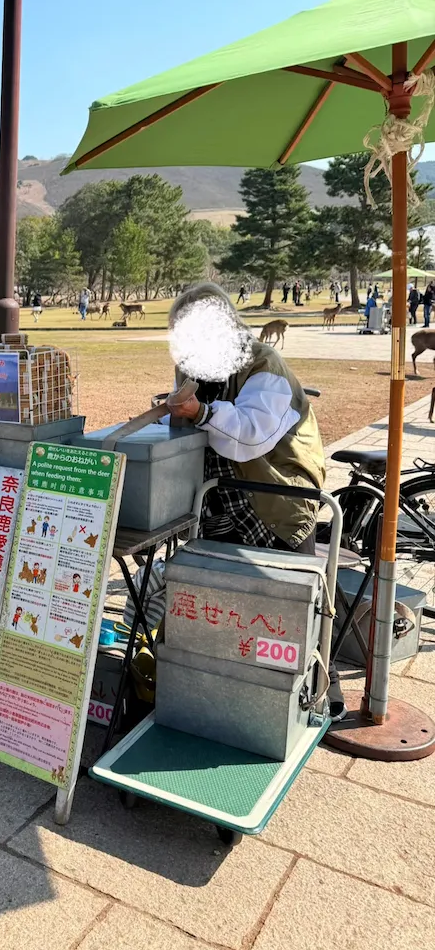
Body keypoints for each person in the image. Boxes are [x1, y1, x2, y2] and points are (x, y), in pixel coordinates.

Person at [163, 281, 344, 721]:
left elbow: (250, 436)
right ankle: (224, 685)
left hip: (277, 498)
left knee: (294, 603)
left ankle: (321, 686)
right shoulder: (198, 367)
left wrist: (201, 414)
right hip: (221, 501)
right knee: (223, 597)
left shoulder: (265, 364)